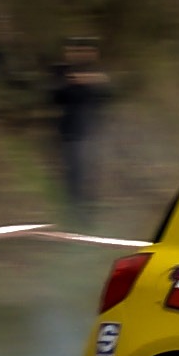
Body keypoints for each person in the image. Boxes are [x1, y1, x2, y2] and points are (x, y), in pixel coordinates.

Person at [48, 37, 112, 224]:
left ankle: (88, 216)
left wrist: (90, 82)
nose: (80, 55)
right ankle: (74, 216)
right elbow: (55, 96)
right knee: (73, 177)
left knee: (91, 176)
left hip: (93, 133)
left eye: (85, 50)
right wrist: (76, 83)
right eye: (75, 51)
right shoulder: (61, 72)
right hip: (71, 134)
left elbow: (108, 95)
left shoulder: (97, 74)